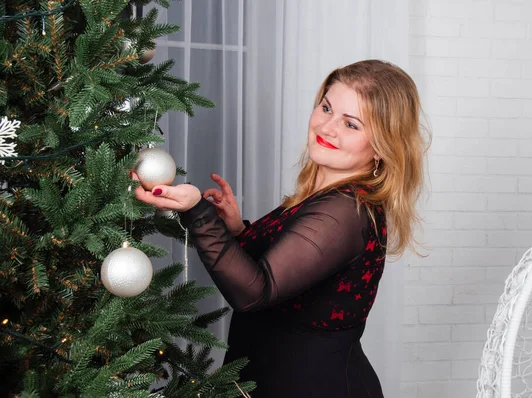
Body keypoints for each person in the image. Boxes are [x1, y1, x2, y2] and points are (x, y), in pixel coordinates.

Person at [133, 59, 428, 397]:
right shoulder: (326, 196)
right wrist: (238, 233)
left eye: (351, 124)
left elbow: (255, 292)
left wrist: (198, 211)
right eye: (327, 108)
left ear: (382, 145)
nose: (327, 127)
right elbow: (287, 277)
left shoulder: (344, 211)